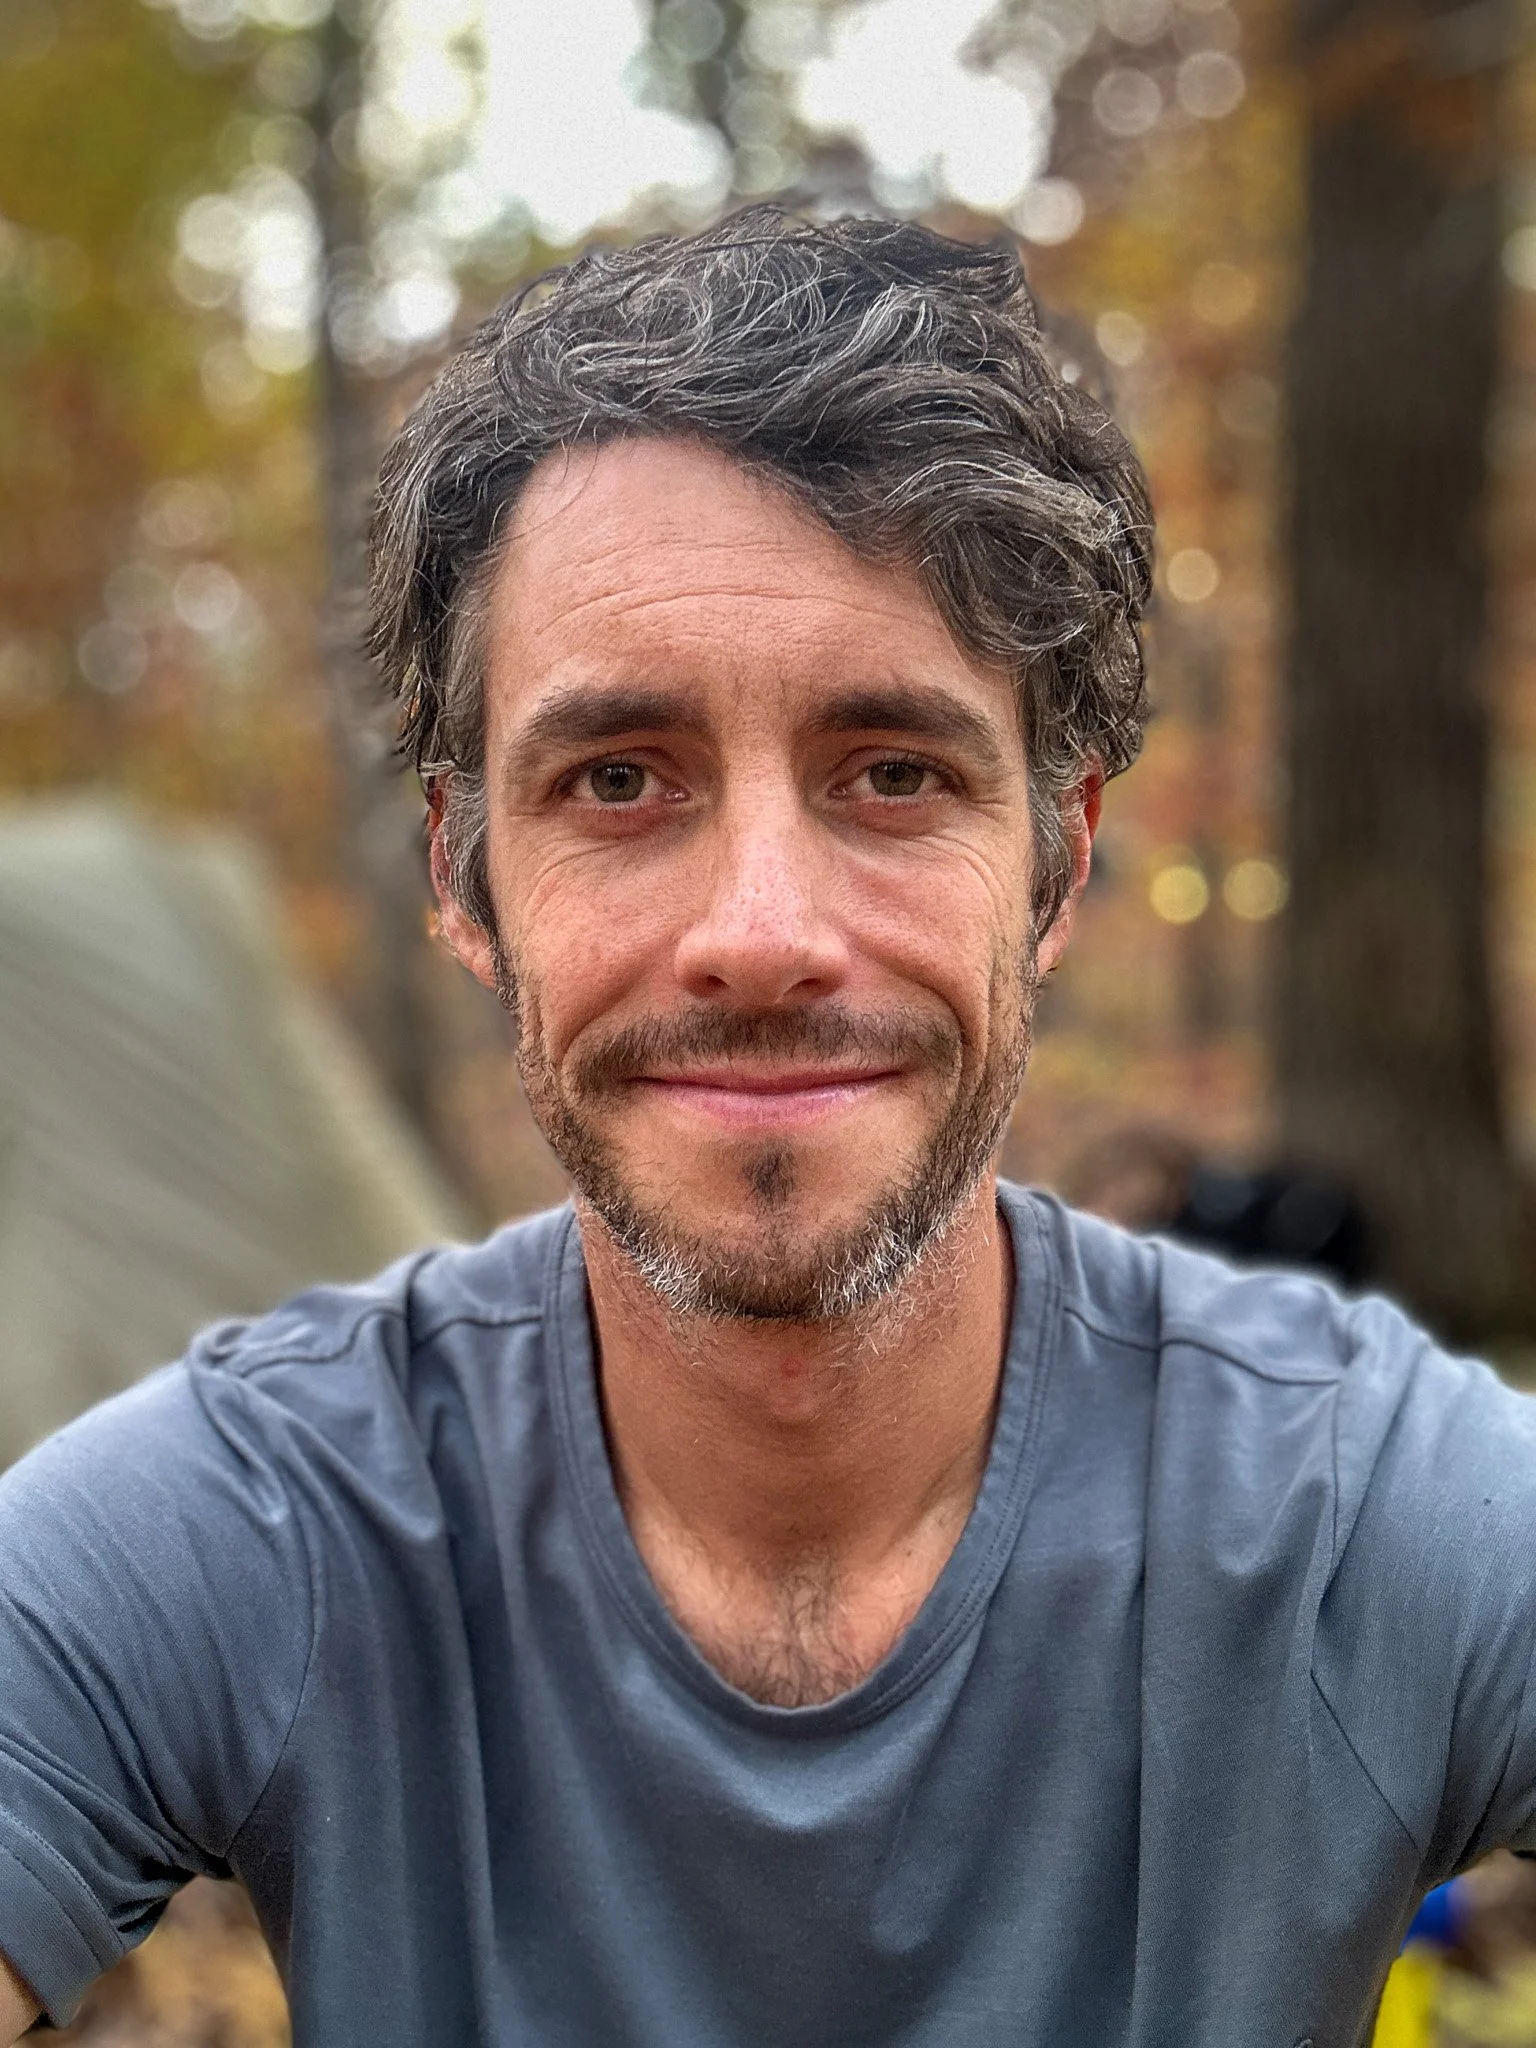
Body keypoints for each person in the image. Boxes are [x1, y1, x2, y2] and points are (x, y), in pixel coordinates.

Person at [0, 208, 1532, 2048]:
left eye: (892, 773)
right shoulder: (258, 1523)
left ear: (1056, 867)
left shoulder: (1368, 1512)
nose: (761, 932)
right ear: (465, 877)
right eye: (618, 780)